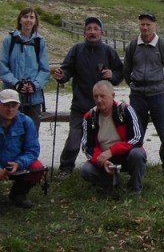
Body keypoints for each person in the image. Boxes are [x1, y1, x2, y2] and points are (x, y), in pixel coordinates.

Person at [53, 16, 124, 179]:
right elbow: (66, 70)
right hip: (80, 105)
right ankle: (66, 168)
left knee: (106, 139)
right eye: (89, 29)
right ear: (84, 32)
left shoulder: (108, 51)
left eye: (96, 29)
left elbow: (120, 72)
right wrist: (61, 76)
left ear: (102, 32)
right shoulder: (76, 50)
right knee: (73, 139)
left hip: (103, 108)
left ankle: (109, 165)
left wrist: (113, 75)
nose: (92, 32)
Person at [123, 12, 164, 173]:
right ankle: (137, 165)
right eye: (142, 24)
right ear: (138, 25)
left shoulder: (163, 45)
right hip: (138, 96)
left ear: (155, 26)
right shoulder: (133, 46)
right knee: (136, 132)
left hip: (159, 95)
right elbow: (126, 71)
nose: (145, 27)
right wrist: (134, 87)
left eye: (148, 24)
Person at [80, 80, 146, 196]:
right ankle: (109, 184)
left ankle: (135, 189)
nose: (99, 100)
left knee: (138, 154)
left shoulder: (125, 110)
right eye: (96, 96)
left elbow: (137, 138)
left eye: (102, 96)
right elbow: (87, 147)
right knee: (86, 170)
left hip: (126, 155)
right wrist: (101, 159)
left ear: (113, 96)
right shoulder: (89, 117)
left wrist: (111, 151)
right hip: (104, 157)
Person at [0, 7, 50, 133]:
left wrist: (34, 85)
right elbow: (3, 67)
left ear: (35, 21)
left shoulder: (40, 42)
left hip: (34, 97)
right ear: (20, 20)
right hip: (11, 97)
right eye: (25, 17)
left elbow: (44, 69)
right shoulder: (9, 40)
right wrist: (17, 83)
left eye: (31, 17)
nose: (28, 20)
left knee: (32, 133)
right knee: (10, 132)